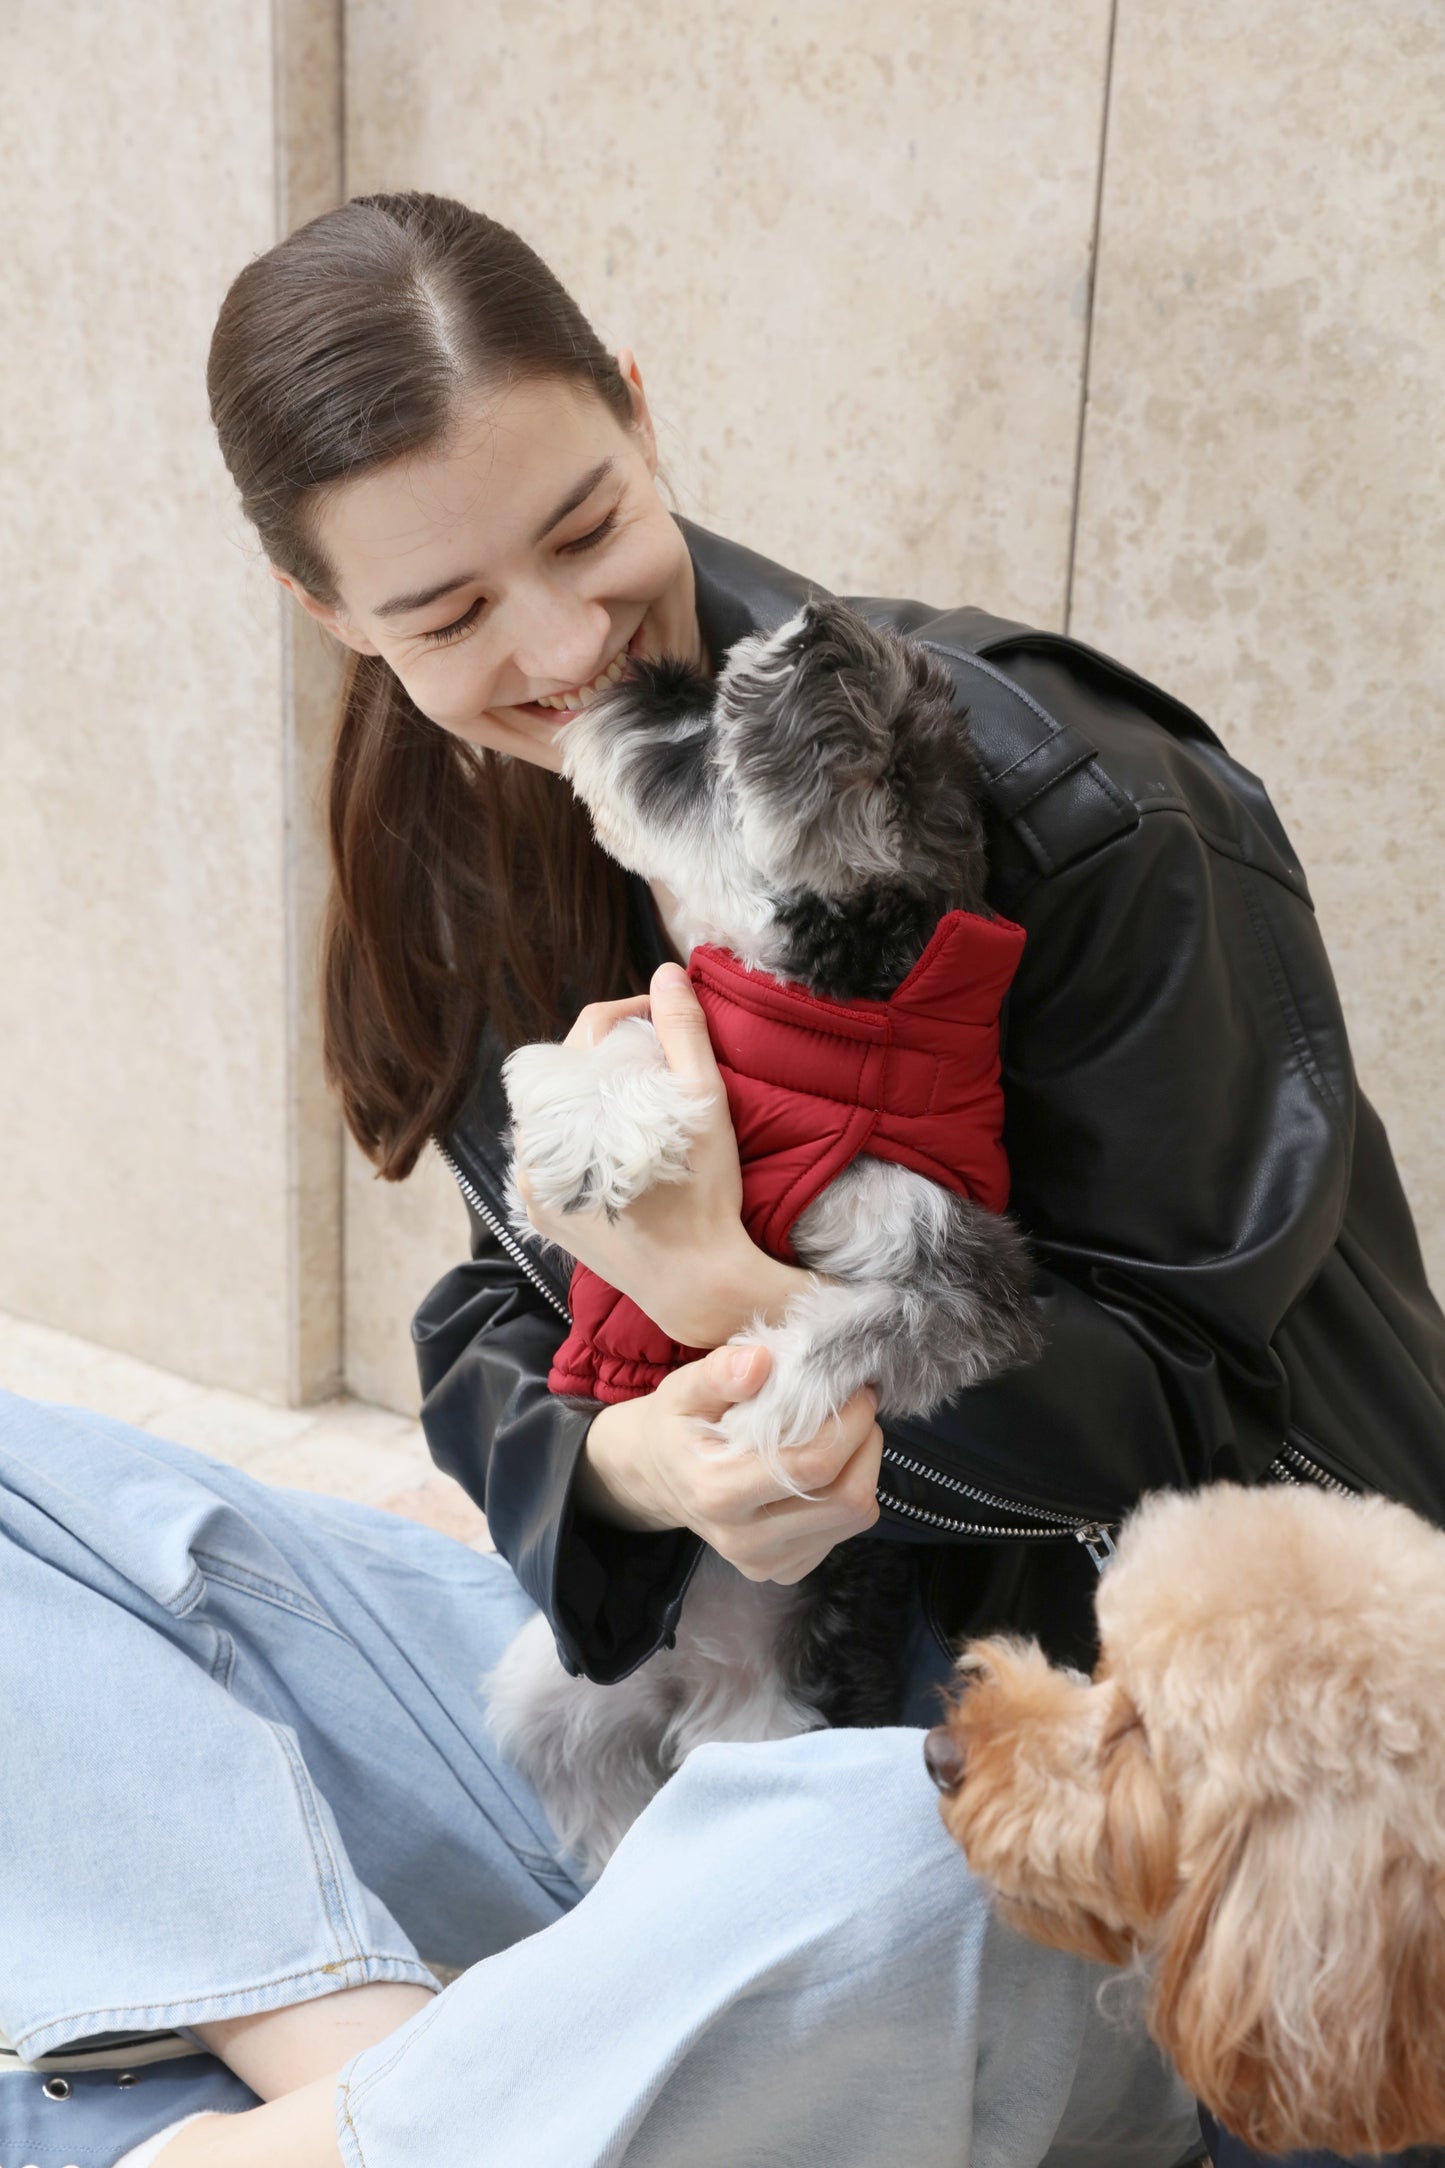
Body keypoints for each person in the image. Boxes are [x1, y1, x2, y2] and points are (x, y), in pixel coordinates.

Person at [2, 187, 1441, 2168]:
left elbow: (1193, 1429)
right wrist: (626, 1469)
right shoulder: (465, 820)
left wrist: (736, 1297)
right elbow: (506, 1305)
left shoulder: (1068, 804)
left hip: (1016, 1751)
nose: (560, 646)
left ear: (641, 412)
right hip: (679, 1716)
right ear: (328, 613)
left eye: (586, 527)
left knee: (888, 1872)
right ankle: (379, 2057)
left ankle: (338, 2102)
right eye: (445, 616)